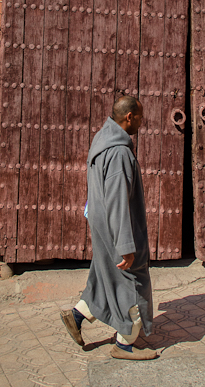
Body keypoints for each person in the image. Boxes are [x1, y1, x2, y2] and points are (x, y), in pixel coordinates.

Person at [60, 96, 157, 360]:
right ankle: (124, 344)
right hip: (115, 229)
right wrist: (126, 245)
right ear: (129, 118)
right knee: (132, 282)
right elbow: (116, 200)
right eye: (139, 117)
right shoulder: (120, 152)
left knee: (104, 276)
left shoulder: (102, 139)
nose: (142, 121)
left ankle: (77, 315)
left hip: (101, 222)